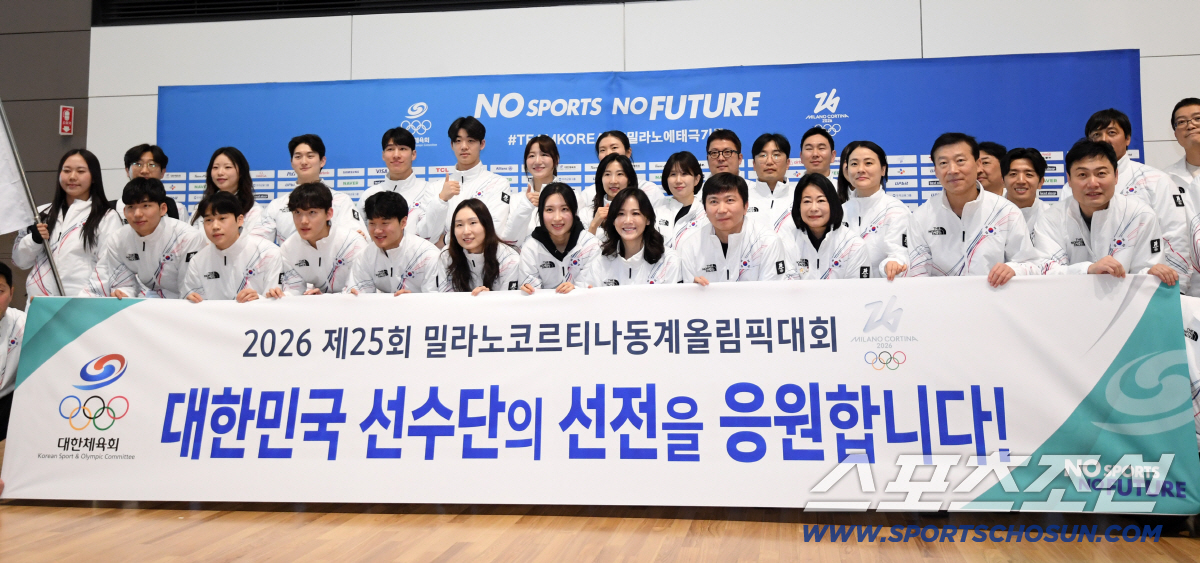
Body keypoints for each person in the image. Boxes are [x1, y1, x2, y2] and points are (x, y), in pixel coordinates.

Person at [907, 133, 1053, 286]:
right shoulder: (922, 216)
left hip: (994, 298)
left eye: (960, 161)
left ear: (977, 165)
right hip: (942, 299)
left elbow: (1031, 265)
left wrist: (1014, 269)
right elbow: (918, 275)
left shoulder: (1005, 211)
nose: (953, 170)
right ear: (936, 171)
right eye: (943, 163)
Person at [1034, 140, 1176, 286]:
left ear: (1116, 176)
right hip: (1068, 299)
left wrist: (1151, 274)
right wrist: (1088, 269)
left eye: (1101, 173)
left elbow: (1146, 271)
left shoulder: (1140, 215)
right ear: (1069, 179)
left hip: (1125, 300)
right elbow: (1046, 270)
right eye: (1082, 174)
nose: (1093, 183)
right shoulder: (1051, 218)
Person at [1082, 109, 1190, 289]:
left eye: (1111, 133)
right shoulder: (1074, 186)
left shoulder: (1155, 180)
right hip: (1086, 287)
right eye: (1096, 134)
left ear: (1127, 139)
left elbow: (1176, 236)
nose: (1104, 139)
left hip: (1145, 287)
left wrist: (1178, 288)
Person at [13, 149, 122, 299]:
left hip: (81, 304)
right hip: (40, 302)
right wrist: (34, 240)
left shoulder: (106, 217)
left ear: (94, 177)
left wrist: (82, 300)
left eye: (80, 171)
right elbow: (19, 261)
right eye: (66, 171)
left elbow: (108, 266)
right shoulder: (40, 214)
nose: (72, 177)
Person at [83, 177, 208, 299]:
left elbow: (190, 288)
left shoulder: (187, 237)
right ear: (124, 211)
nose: (137, 214)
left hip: (184, 303)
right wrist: (123, 293)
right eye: (131, 207)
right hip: (145, 304)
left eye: (146, 206)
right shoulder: (118, 240)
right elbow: (124, 284)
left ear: (162, 209)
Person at [182, 191, 300, 303]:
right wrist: (190, 301)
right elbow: (191, 302)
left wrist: (259, 299)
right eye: (209, 220)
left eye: (222, 218)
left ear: (239, 220)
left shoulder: (268, 253)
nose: (215, 226)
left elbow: (277, 300)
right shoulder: (198, 261)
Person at [678, 172, 792, 284]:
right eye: (714, 201)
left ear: (745, 206)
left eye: (730, 200)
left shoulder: (768, 242)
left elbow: (771, 292)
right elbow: (689, 293)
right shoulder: (691, 246)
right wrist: (694, 290)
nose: (722, 210)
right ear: (705, 209)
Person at [428, 117, 520, 246]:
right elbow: (426, 235)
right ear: (452, 145)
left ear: (482, 144)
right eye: (458, 141)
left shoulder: (498, 183)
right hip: (445, 258)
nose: (464, 147)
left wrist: (445, 240)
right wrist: (441, 200)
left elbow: (495, 229)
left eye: (470, 141)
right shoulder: (435, 188)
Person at [271, 182, 367, 296]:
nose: (303, 221)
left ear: (329, 214)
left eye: (312, 212)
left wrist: (324, 299)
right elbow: (293, 290)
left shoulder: (353, 244)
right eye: (297, 212)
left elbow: (359, 290)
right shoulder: (288, 248)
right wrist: (280, 296)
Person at [263, 134, 362, 245]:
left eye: (310, 156)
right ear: (292, 162)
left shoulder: (341, 201)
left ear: (322, 161)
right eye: (298, 157)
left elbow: (356, 240)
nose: (304, 162)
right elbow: (258, 244)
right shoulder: (276, 205)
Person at [837, 140, 915, 280]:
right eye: (854, 164)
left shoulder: (896, 210)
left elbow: (899, 254)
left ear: (883, 169)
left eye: (868, 163)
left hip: (883, 289)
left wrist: (892, 265)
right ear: (846, 170)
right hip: (843, 289)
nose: (861, 169)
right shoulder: (839, 212)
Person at [356, 127, 446, 243]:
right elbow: (362, 235)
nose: (396, 155)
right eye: (390, 149)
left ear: (413, 154)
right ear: (383, 155)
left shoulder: (431, 191)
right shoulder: (369, 194)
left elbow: (435, 234)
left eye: (402, 149)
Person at [347, 191, 441, 295]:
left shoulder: (427, 256)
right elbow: (360, 294)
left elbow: (436, 300)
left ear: (403, 222)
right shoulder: (365, 256)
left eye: (385, 223)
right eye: (372, 223)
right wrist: (354, 296)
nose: (377, 231)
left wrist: (412, 301)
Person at [777, 174, 869, 280]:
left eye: (821, 200)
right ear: (798, 207)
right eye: (807, 201)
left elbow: (857, 288)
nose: (813, 208)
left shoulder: (853, 245)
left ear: (832, 204)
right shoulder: (787, 242)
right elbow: (787, 286)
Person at [517, 183, 601, 294]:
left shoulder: (591, 245)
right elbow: (533, 295)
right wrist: (528, 290)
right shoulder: (531, 248)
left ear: (574, 212)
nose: (557, 218)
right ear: (541, 213)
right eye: (549, 210)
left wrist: (576, 290)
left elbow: (593, 289)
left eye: (564, 209)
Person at [425, 199, 521, 294]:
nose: (466, 231)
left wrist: (489, 298)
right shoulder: (447, 255)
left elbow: (508, 301)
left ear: (486, 225)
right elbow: (445, 298)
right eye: (459, 225)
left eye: (473, 223)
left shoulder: (509, 259)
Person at [592, 187, 681, 286]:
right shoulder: (601, 261)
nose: (628, 221)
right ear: (613, 220)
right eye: (621, 214)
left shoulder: (668, 261)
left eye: (635, 213)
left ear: (648, 219)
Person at [190, 146, 272, 240]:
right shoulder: (200, 208)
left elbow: (255, 244)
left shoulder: (254, 211)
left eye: (227, 167)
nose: (220, 172)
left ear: (241, 172)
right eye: (215, 167)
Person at [503, 135, 562, 246]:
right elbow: (509, 241)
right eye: (531, 156)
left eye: (544, 154)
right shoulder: (516, 200)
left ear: (556, 160)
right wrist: (526, 206)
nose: (537, 161)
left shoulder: (571, 197)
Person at [651, 151, 709, 249]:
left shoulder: (706, 214)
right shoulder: (656, 213)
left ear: (696, 179)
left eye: (684, 174)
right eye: (673, 174)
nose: (678, 180)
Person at [594, 130, 667, 203]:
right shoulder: (590, 194)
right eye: (602, 150)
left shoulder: (649, 191)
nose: (608, 153)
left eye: (614, 147)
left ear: (628, 152)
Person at [119, 144, 180, 220]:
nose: (145, 171)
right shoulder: (113, 211)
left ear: (163, 172)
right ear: (127, 170)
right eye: (138, 164)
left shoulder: (177, 209)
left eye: (152, 165)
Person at [746, 133, 794, 230]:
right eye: (763, 155)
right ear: (754, 164)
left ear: (787, 163)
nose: (769, 162)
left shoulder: (800, 197)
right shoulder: (742, 198)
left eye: (776, 155)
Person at [0, 263, 25, 442]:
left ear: (11, 293)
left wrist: (44, 309)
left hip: (5, 407)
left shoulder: (22, 322)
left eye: (0, 291)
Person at [585, 153, 639, 235]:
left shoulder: (641, 211)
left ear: (629, 179)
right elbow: (583, 243)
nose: (613, 181)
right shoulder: (586, 214)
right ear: (600, 179)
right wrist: (594, 225)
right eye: (607, 174)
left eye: (620, 174)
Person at [1003, 148, 1049, 225]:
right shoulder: (990, 213)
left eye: (1029, 174)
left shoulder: (1050, 215)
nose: (1021, 181)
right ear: (1002, 180)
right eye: (1013, 174)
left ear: (1041, 182)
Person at [1164, 98, 1200, 191]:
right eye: (1181, 122)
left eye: (1198, 118)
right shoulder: (1165, 178)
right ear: (1175, 135)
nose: (1190, 126)